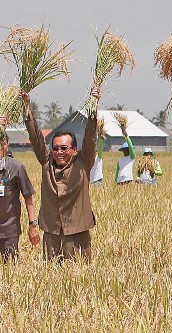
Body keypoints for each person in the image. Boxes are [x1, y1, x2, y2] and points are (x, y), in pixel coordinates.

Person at [22, 87, 101, 261]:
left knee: (80, 277)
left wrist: (93, 106)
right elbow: (35, 137)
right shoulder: (46, 161)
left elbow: (90, 136)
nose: (59, 152)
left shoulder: (83, 162)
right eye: (55, 148)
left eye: (64, 148)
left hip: (78, 230)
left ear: (74, 149)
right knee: (52, 278)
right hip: (52, 232)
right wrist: (27, 107)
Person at [0, 119, 40, 262]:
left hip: (9, 231)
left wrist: (33, 224)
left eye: (2, 143)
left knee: (10, 269)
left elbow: (28, 197)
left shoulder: (16, 168)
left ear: (7, 146)